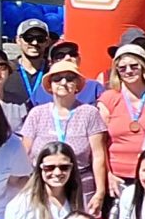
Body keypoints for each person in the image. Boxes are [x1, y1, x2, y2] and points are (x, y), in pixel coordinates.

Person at [16, 55, 104, 186]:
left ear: (77, 85)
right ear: (50, 86)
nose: (63, 83)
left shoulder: (90, 113)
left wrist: (100, 191)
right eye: (57, 79)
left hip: (80, 182)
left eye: (69, 79)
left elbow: (98, 155)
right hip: (43, 181)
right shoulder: (37, 113)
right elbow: (24, 152)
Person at [94, 41, 145, 195]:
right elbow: (100, 143)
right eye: (122, 68)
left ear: (144, 66)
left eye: (134, 66)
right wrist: (108, 175)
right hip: (117, 178)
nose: (128, 71)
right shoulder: (108, 98)